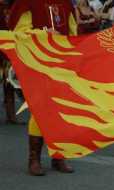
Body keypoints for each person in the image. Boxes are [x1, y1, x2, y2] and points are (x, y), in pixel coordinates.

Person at [8, 0, 77, 176]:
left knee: (62, 110)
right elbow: (20, 32)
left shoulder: (66, 3)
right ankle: (34, 159)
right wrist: (44, 33)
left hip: (62, 62)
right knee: (41, 110)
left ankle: (59, 156)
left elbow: (73, 32)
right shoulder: (28, 2)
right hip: (38, 61)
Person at [0, 0, 23, 125]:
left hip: (9, 50)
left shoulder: (17, 7)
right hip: (2, 47)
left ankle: (11, 116)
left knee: (9, 85)